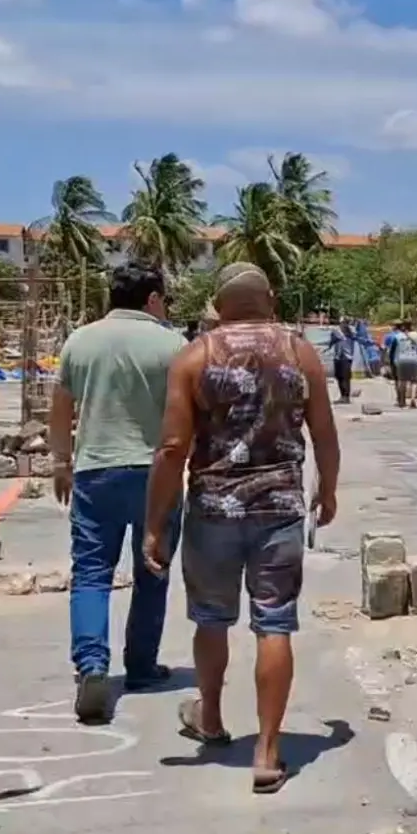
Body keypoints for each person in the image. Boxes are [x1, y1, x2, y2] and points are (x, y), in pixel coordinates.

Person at [143, 263, 340, 795]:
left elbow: (171, 449)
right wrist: (330, 488)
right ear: (269, 300)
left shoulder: (193, 357)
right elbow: (323, 431)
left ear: (219, 305)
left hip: (213, 510)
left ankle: (209, 717)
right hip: (278, 509)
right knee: (274, 623)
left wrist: (155, 523)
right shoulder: (301, 353)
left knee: (211, 620)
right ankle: (268, 751)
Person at [50, 261, 186, 724]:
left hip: (95, 471)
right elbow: (190, 414)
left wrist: (60, 462)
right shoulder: (173, 344)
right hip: (156, 474)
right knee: (153, 571)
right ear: (152, 298)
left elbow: (61, 408)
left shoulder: (79, 341)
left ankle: (92, 665)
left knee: (90, 572)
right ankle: (142, 667)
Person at [387, 320, 417, 408]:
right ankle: (413, 399)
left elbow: (392, 351)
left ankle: (401, 401)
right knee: (414, 381)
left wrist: (390, 362)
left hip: (401, 360)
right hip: (414, 359)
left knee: (402, 381)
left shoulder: (397, 337)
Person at [326, 317, 355, 404]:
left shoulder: (349, 333)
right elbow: (332, 341)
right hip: (338, 357)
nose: (342, 325)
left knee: (345, 378)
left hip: (346, 358)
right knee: (339, 377)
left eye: (343, 323)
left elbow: (337, 334)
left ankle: (346, 397)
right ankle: (343, 396)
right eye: (341, 323)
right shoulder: (339, 333)